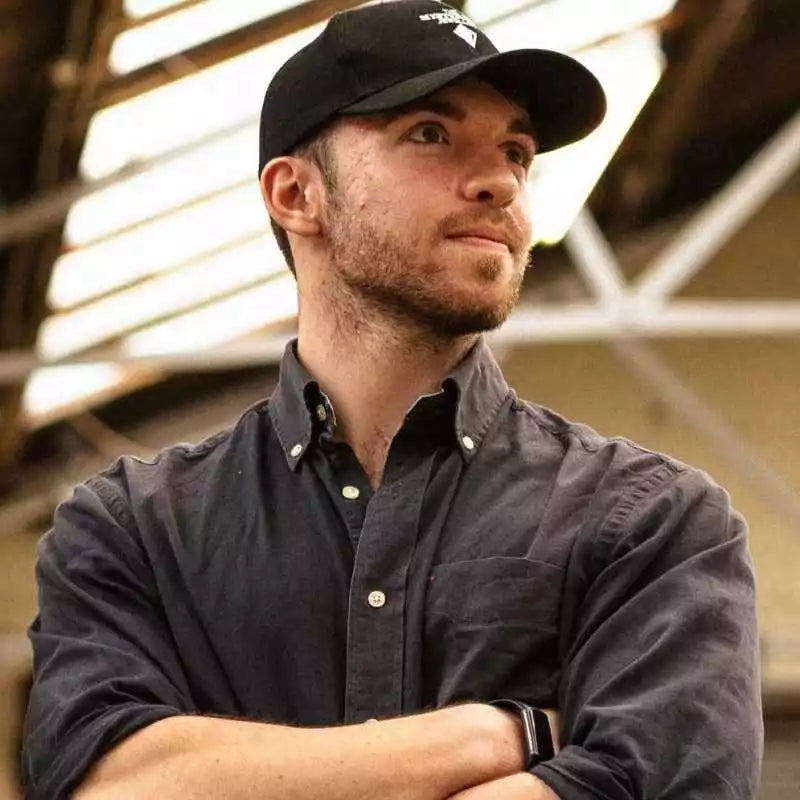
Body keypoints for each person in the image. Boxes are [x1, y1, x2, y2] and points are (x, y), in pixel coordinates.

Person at [22, 2, 763, 798]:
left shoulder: (655, 525)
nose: (500, 181)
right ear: (296, 193)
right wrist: (495, 736)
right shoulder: (134, 532)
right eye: (431, 134)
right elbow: (108, 784)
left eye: (516, 151)